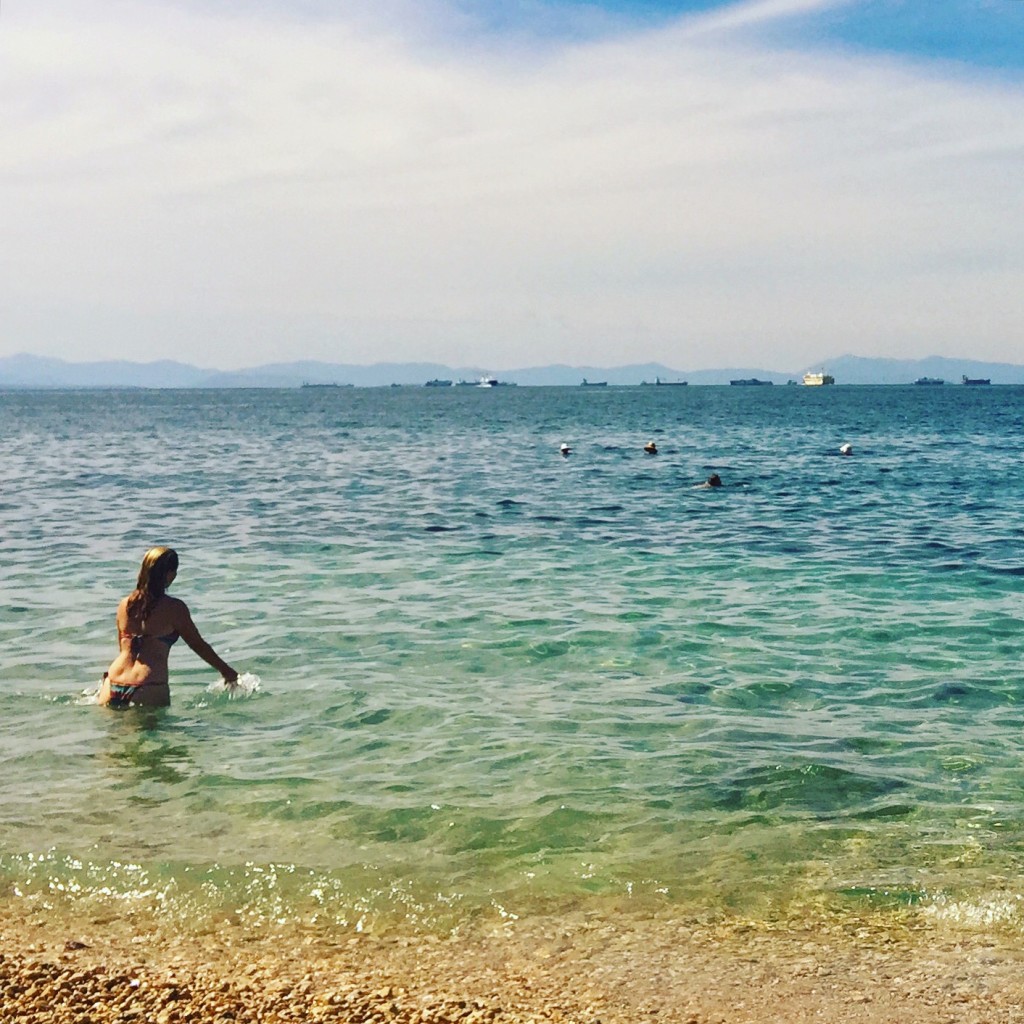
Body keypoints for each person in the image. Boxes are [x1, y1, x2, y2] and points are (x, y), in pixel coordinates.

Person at [97, 547, 237, 708]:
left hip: (112, 682)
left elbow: (123, 648)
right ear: (170, 574)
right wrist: (226, 671)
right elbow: (198, 645)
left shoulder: (124, 605)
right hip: (148, 686)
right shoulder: (174, 608)